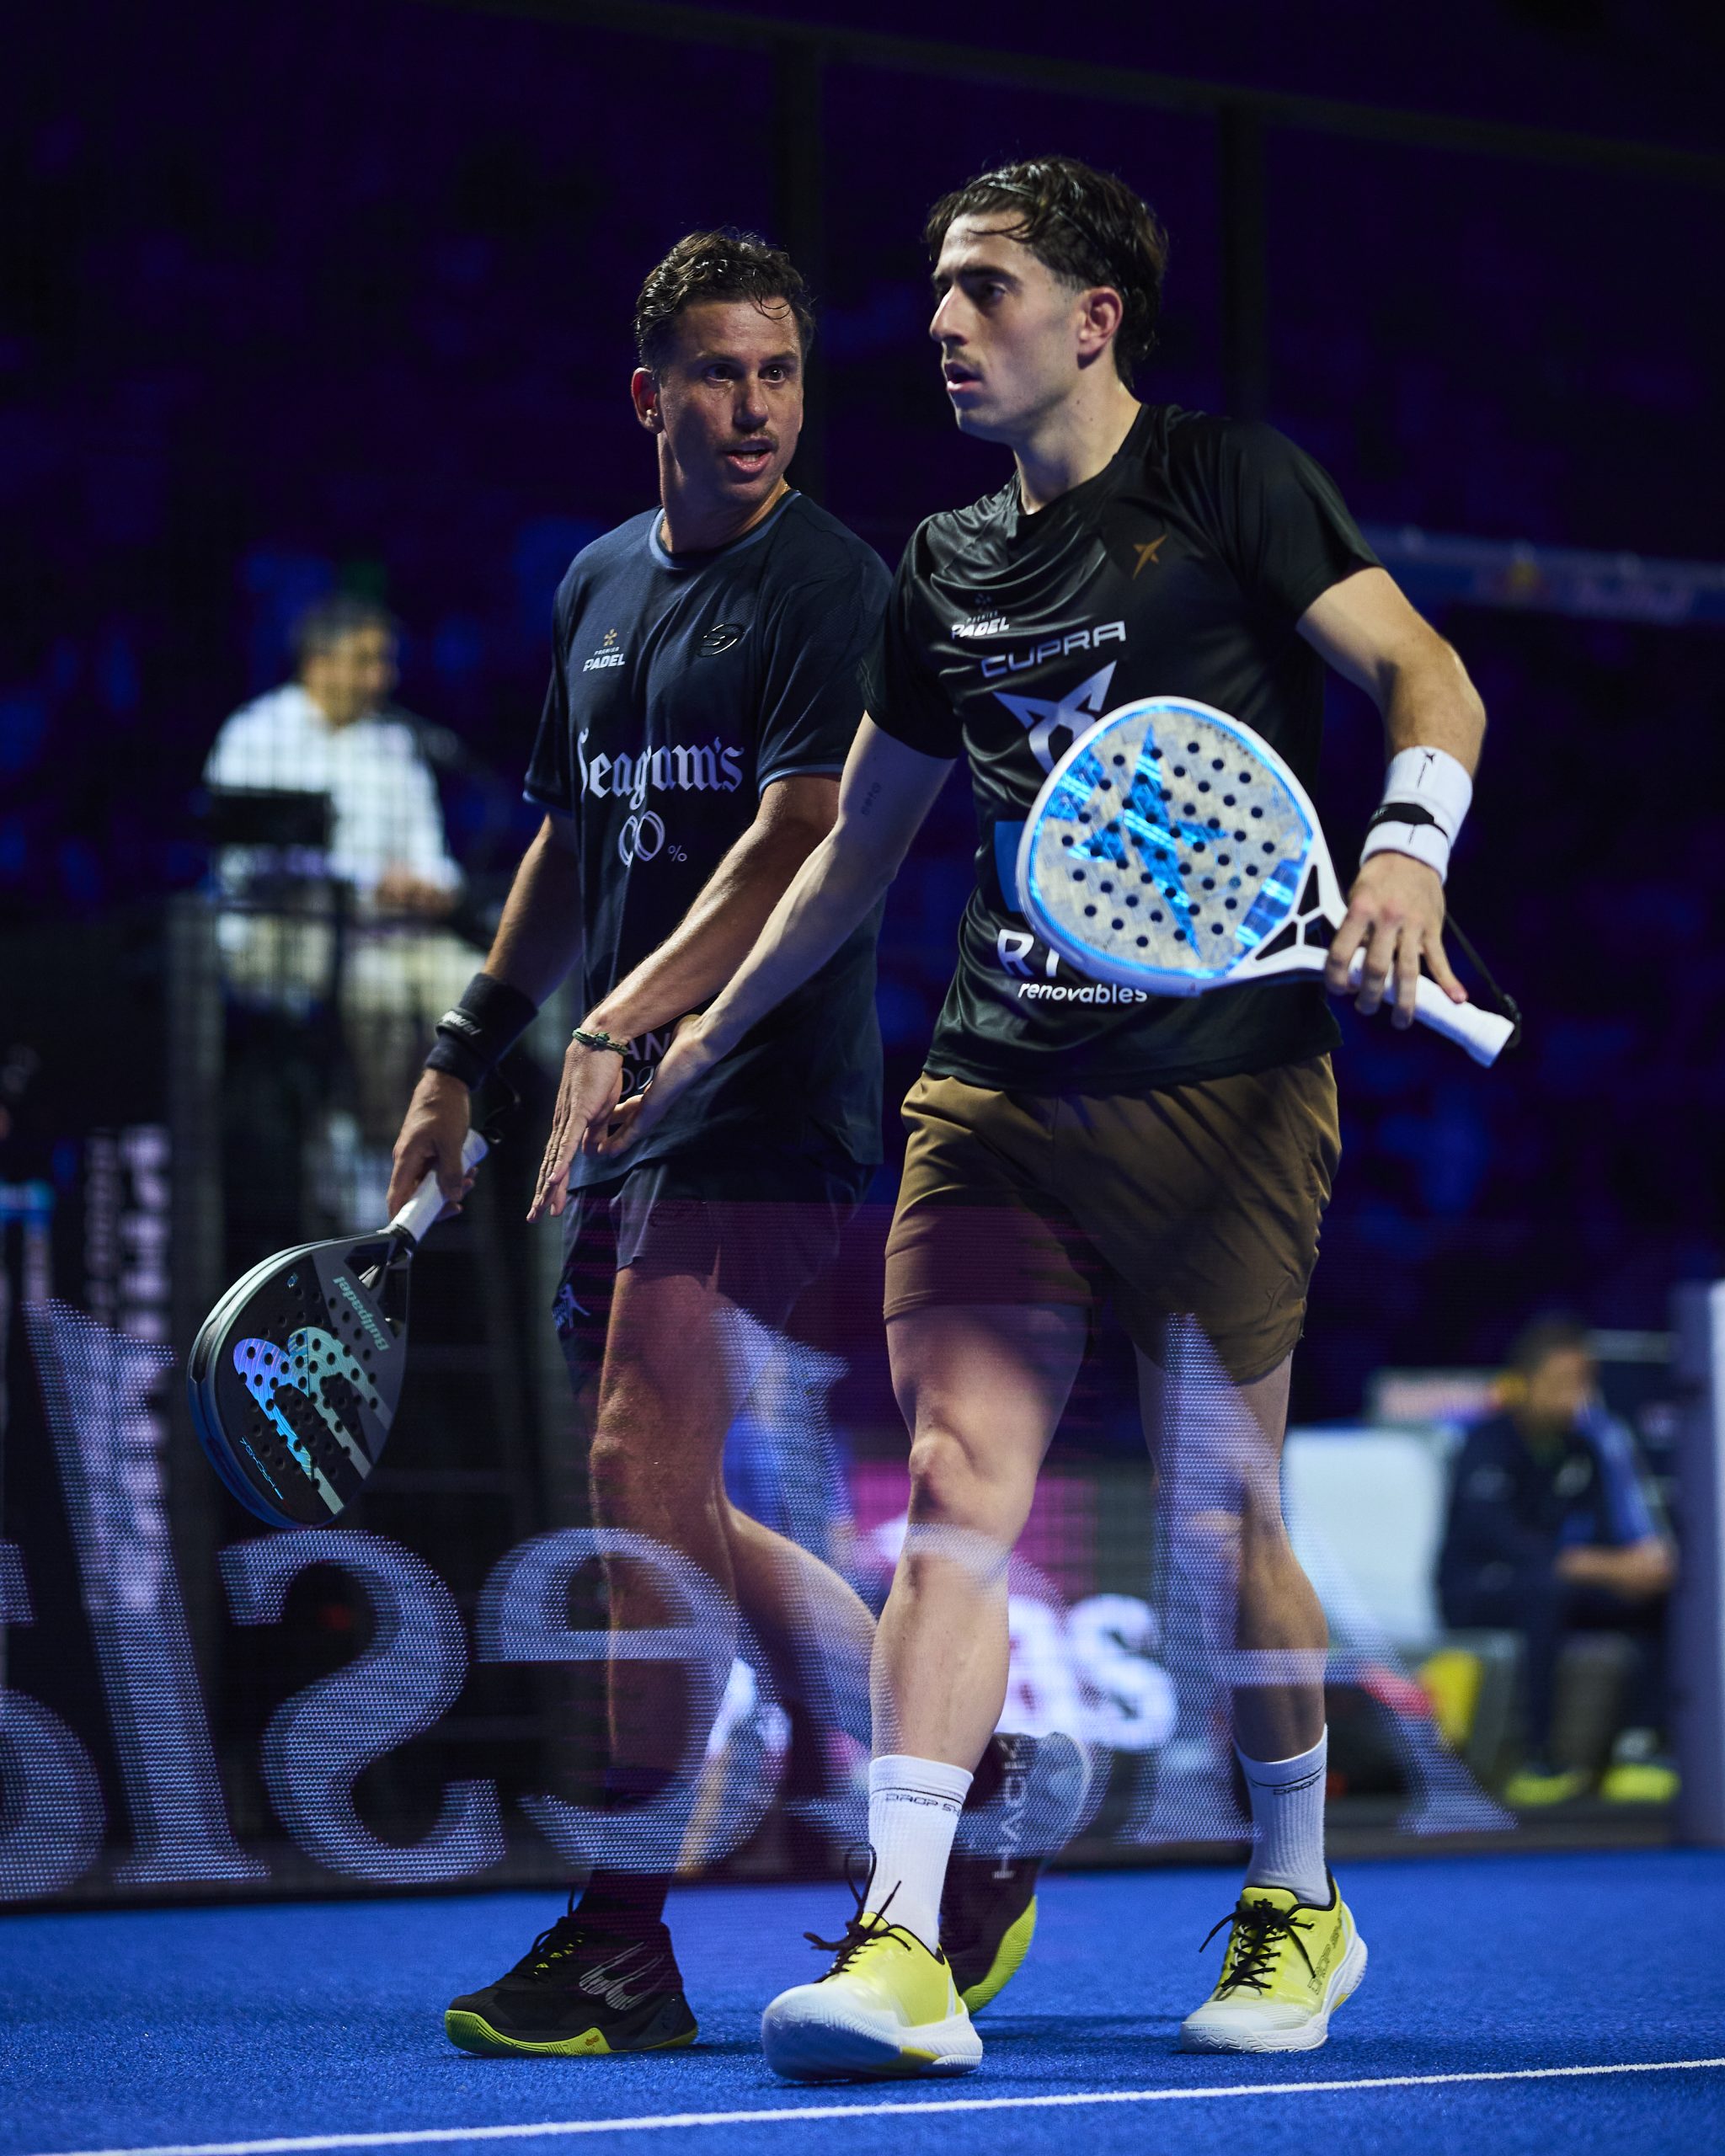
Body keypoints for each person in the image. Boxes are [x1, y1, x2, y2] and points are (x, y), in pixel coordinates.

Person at [610, 156, 1492, 2075]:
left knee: (1217, 1504)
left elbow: (1426, 675)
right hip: (996, 1085)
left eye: (985, 287)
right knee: (949, 1490)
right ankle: (904, 1939)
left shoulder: (1231, 488)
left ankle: (1291, 1894)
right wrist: (697, 1031)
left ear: (1091, 317)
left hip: (1223, 1090)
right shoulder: (939, 569)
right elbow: (852, 856)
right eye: (935, 288)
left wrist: (1405, 851)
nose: (941, 318)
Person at [386, 228, 1065, 2062]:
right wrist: (468, 1049)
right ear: (649, 395)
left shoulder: (833, 587)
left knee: (630, 1460)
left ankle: (623, 1932)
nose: (754, 407)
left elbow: (789, 845)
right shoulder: (598, 583)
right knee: (674, 1500)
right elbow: (564, 840)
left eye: (777, 373)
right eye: (716, 373)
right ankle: (973, 1763)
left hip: (757, 1097)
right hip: (620, 1108)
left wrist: (626, 1029)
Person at [204, 595, 473, 1218]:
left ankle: (454, 1149)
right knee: (375, 991)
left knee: (478, 991)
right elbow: (241, 862)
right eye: (367, 660)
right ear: (318, 663)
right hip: (288, 931)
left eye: (385, 662)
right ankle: (371, 1147)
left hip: (397, 930)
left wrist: (433, 884)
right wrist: (365, 882)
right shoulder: (255, 734)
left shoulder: (394, 744)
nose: (384, 677)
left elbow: (432, 852)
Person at [1438, 1315, 1676, 1806]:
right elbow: (1505, 1544)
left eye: (1585, 1383)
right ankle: (1539, 1758)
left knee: (1658, 1596)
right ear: (1526, 1382)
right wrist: (1607, 1568)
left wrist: (1637, 1570)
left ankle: (1641, 1747)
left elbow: (1610, 1539)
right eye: (1564, 1382)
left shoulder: (1585, 1448)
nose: (1577, 1396)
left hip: (1556, 1584)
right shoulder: (1487, 1443)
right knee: (1543, 1589)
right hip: (1478, 1591)